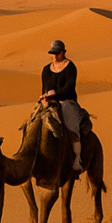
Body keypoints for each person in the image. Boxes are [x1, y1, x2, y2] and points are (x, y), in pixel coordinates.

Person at [40, 39, 84, 171]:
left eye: (57, 53)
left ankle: (77, 158)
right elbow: (44, 88)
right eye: (52, 53)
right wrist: (44, 97)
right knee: (34, 120)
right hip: (49, 101)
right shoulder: (46, 70)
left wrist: (55, 95)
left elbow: (69, 88)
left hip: (67, 101)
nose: (54, 56)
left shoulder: (70, 67)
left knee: (70, 124)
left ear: (63, 52)